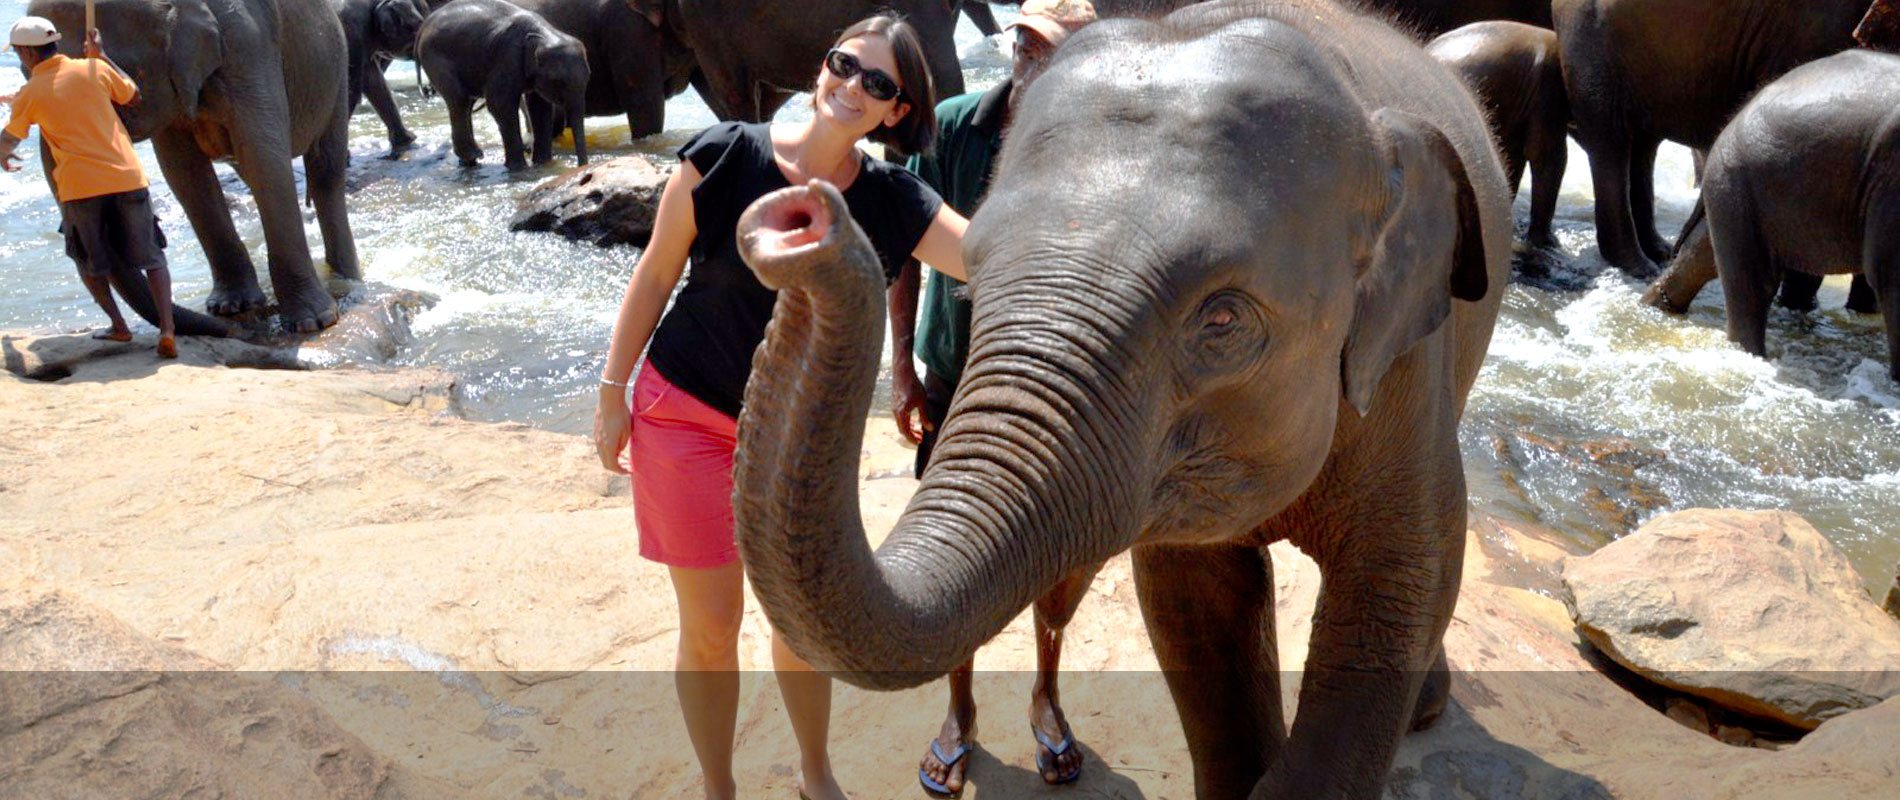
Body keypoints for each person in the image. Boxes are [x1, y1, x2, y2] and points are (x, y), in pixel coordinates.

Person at [590, 13, 968, 800]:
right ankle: (718, 785)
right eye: (843, 64)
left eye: (878, 84)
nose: (852, 87)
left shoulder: (895, 200)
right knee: (711, 628)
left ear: (898, 110)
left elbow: (984, 254)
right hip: (685, 412)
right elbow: (656, 277)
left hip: (803, 443)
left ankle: (815, 774)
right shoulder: (726, 153)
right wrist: (610, 394)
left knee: (803, 624)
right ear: (820, 66)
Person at [887, 1, 1099, 795]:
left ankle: (1046, 694)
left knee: (1058, 556)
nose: (1033, 58)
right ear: (1013, 45)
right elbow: (906, 248)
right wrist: (901, 368)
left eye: (1052, 50)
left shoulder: (1102, 143)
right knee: (958, 552)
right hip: (953, 375)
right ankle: (960, 710)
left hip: (1060, 386)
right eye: (1028, 42)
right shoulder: (951, 125)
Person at [1, 17, 177, 358]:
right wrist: (103, 56)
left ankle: (120, 326)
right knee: (153, 257)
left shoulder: (31, 93)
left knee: (87, 260)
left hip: (79, 187)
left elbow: (10, 138)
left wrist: (3, 156)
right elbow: (133, 96)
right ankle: (168, 330)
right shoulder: (94, 69)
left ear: (25, 53)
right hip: (126, 177)